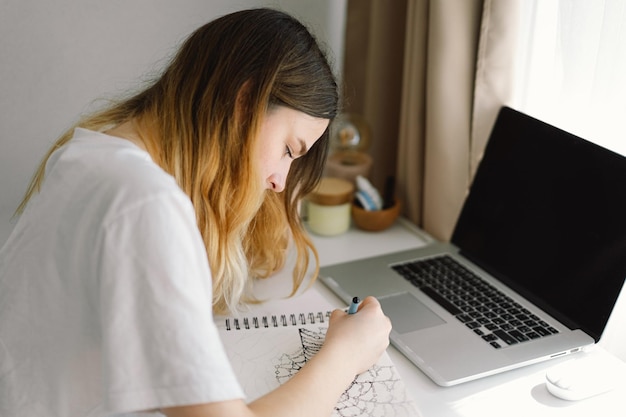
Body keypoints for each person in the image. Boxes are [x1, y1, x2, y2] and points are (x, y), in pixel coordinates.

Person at [0, 8, 391, 417]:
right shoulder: (142, 202)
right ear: (244, 102)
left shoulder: (89, 152)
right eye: (289, 150)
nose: (279, 181)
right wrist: (347, 354)